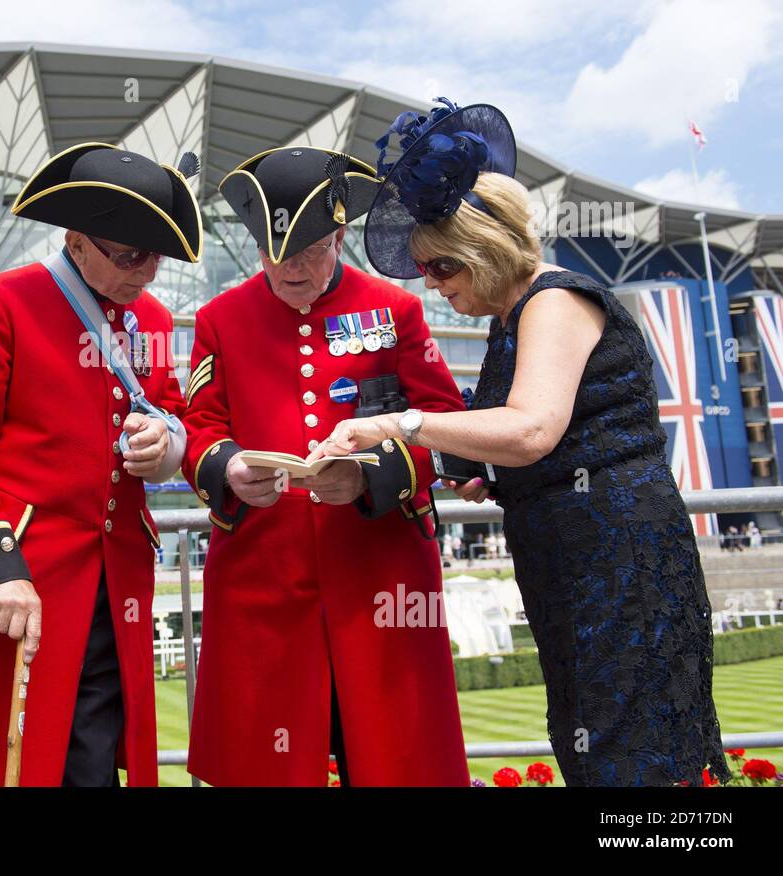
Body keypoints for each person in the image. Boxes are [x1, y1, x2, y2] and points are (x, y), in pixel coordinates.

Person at [321, 97, 729, 786]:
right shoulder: (512, 318)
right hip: (574, 566)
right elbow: (527, 443)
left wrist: (401, 424)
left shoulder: (554, 301)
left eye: (443, 267)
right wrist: (484, 470)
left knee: (633, 759)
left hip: (618, 562)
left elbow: (534, 428)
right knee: (595, 750)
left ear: (485, 249)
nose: (433, 284)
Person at [0, 144, 203, 786]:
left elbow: (172, 411)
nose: (146, 274)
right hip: (18, 576)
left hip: (114, 578)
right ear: (76, 240)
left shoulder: (150, 318)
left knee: (92, 759)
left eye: (155, 257)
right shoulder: (0, 302)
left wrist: (164, 444)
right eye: (129, 255)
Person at [181, 145, 470, 786]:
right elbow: (201, 426)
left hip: (381, 575)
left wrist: (372, 474)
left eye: (309, 250)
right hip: (264, 577)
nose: (288, 269)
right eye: (272, 252)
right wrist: (226, 469)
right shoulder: (219, 320)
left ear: (339, 235)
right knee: (264, 766)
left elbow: (449, 428)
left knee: (398, 761)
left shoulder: (396, 311)